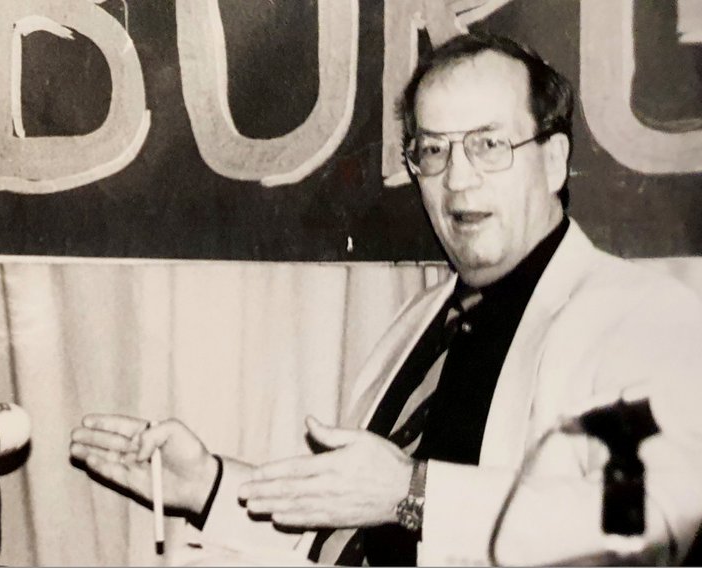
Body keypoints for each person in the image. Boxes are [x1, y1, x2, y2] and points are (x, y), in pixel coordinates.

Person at [70, 33, 702, 565]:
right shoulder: (417, 325)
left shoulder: (640, 316)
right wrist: (208, 486)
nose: (457, 178)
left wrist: (414, 492)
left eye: (488, 144)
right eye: (434, 149)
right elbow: (348, 533)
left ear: (555, 161)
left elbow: (649, 519)